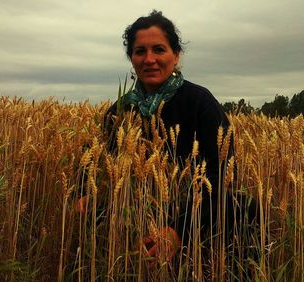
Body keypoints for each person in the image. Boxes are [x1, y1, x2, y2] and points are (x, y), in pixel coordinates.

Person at [103, 10, 257, 271]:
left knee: (245, 207)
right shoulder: (120, 111)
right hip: (138, 216)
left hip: (201, 218)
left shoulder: (200, 103)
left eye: (159, 49)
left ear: (176, 56)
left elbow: (222, 178)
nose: (149, 59)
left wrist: (178, 230)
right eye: (140, 51)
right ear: (132, 58)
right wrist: (84, 193)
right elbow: (97, 159)